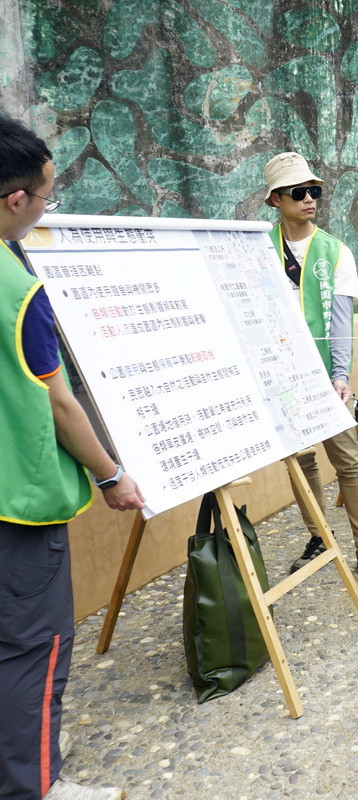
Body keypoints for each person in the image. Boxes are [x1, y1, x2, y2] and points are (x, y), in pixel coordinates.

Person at [0, 113, 145, 800]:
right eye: (47, 194)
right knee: (32, 652)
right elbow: (60, 404)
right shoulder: (17, 288)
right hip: (16, 506)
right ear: (14, 200)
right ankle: (37, 787)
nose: (47, 207)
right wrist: (112, 475)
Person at [263, 152, 358, 586]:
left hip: (323, 375)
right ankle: (318, 534)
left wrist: (341, 376)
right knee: (300, 461)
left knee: (349, 460)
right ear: (276, 199)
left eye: (314, 191)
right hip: (279, 376)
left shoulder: (335, 251)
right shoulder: (258, 246)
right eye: (300, 192)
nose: (310, 199)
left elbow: (338, 319)